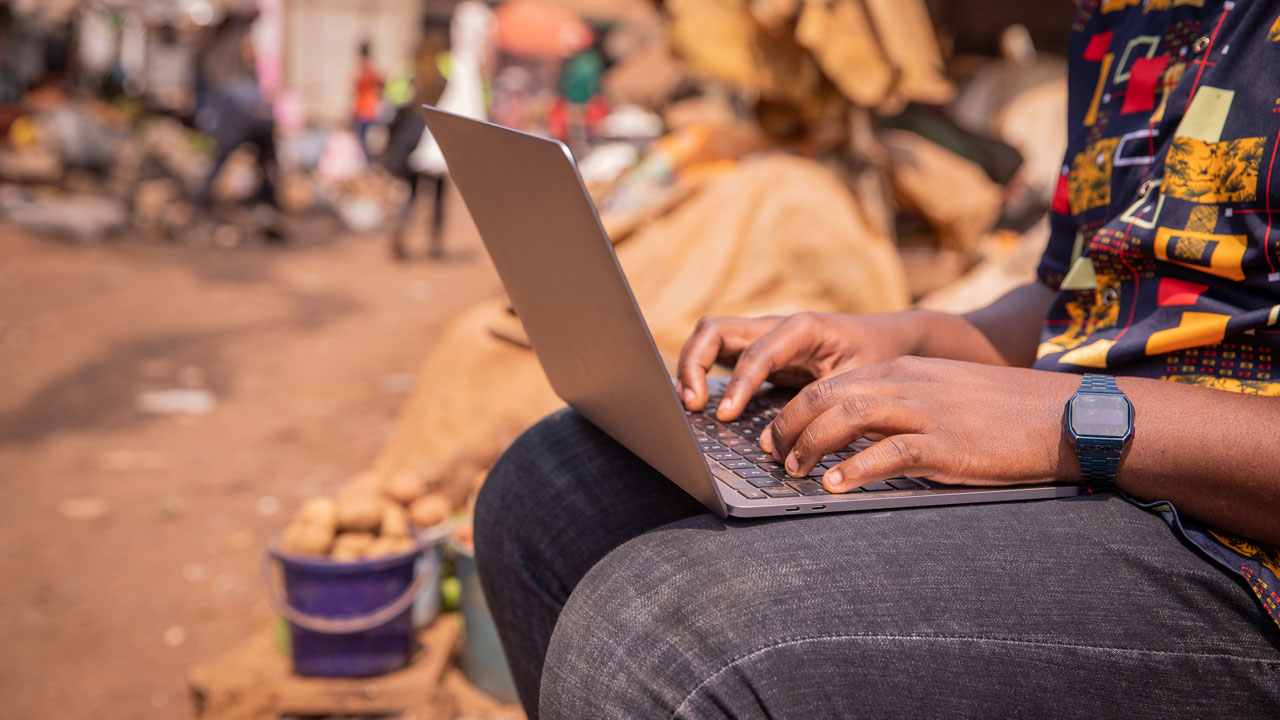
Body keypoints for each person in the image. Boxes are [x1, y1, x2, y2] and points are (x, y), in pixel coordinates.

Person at [474, 1, 1280, 717]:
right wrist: (906, 338)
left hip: (1241, 546)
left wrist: (1069, 418)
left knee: (658, 638)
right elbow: (1088, 297)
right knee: (549, 490)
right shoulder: (1122, 14)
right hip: (1096, 447)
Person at [352, 40, 383, 164]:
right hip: (365, 111)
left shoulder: (365, 69)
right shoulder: (369, 69)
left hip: (366, 112)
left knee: (367, 145)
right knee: (364, 144)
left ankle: (370, 165)